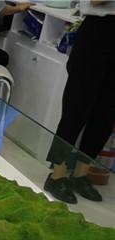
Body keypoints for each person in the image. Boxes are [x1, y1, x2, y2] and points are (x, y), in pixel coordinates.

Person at [43, 0, 114, 203]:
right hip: (98, 32)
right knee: (76, 109)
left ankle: (81, 174)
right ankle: (57, 174)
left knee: (106, 114)